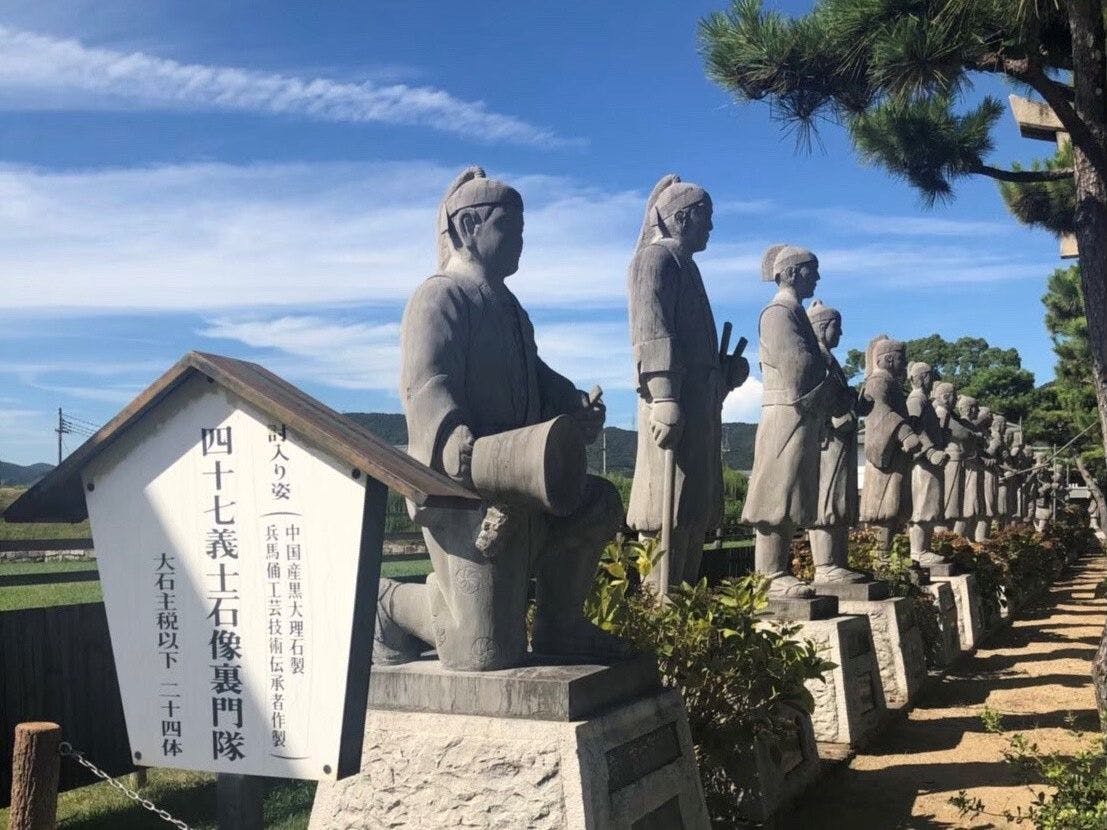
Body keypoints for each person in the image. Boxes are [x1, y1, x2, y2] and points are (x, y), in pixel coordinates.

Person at [375, 167, 628, 671]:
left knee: (598, 501)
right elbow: (425, 384)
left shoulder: (511, 309)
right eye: (509, 230)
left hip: (526, 481)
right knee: (481, 652)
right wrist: (456, 442)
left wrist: (572, 404)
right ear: (469, 228)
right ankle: (386, 604)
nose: (519, 243)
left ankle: (560, 623)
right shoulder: (440, 296)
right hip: (469, 495)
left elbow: (536, 375)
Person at [626, 174, 749, 588]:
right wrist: (663, 394)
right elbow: (652, 331)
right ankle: (661, 600)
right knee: (669, 505)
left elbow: (691, 345)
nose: (710, 227)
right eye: (705, 217)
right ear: (681, 217)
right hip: (673, 404)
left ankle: (684, 594)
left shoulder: (687, 267)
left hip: (698, 405)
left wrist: (723, 371)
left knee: (694, 507)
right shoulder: (655, 260)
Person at [743, 245, 848, 598]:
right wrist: (831, 388)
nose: (816, 277)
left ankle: (776, 571)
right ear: (790, 273)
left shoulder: (794, 312)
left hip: (801, 412)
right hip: (786, 410)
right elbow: (799, 367)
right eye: (810, 270)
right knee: (778, 491)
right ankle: (769, 575)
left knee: (793, 493)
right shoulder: (777, 313)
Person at [806, 300, 870, 583]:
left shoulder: (830, 360)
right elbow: (813, 397)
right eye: (837, 328)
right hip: (825, 440)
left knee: (841, 499)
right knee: (826, 500)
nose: (841, 335)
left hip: (840, 440)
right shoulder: (815, 358)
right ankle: (825, 565)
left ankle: (839, 561)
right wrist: (833, 416)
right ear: (822, 328)